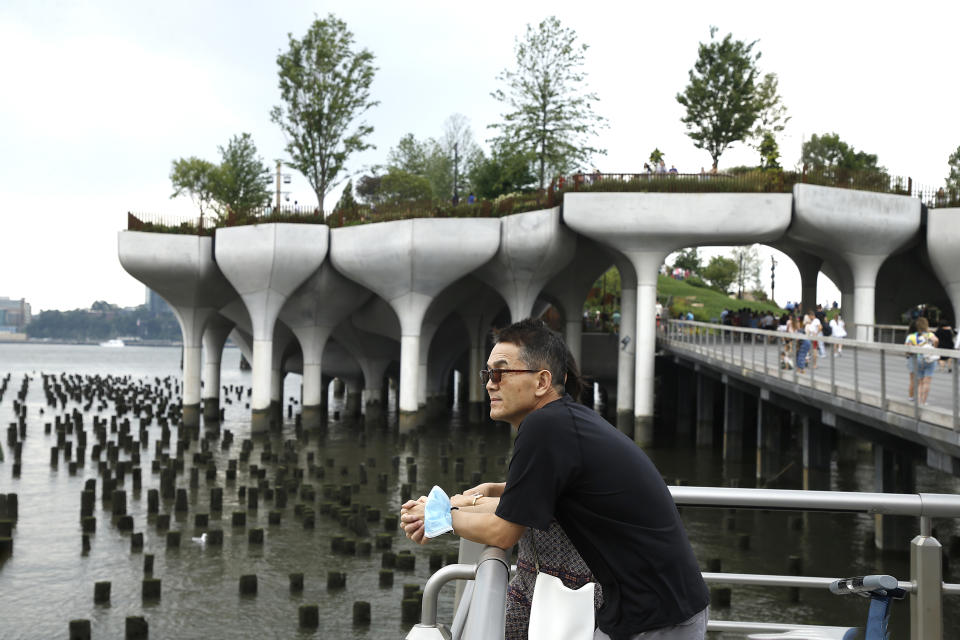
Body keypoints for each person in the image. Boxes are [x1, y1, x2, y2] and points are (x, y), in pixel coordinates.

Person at [400, 319, 710, 639]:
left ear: (541, 381)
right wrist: (456, 502)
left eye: (500, 372)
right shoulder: (564, 419)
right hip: (651, 606)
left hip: (659, 617)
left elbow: (503, 531)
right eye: (487, 374)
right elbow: (542, 496)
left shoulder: (544, 428)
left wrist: (439, 516)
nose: (490, 383)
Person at [905, 317, 939, 404]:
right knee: (927, 382)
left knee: (919, 382)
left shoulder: (911, 336)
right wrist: (934, 348)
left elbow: (907, 348)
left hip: (918, 359)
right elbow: (936, 340)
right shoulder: (929, 334)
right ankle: (923, 401)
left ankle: (918, 400)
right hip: (929, 359)